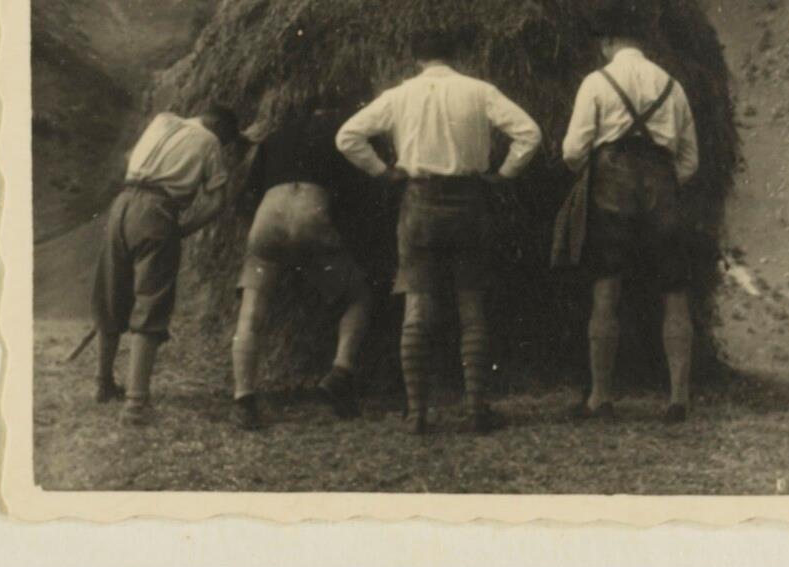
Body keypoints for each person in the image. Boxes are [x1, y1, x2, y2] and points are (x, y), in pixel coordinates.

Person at [335, 26, 543, 436]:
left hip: (419, 202)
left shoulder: (400, 95)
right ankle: (477, 409)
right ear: (457, 55)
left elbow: (348, 136)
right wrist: (505, 173)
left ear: (417, 58)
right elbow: (529, 133)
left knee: (417, 305)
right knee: (471, 305)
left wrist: (383, 172)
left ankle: (417, 413)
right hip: (469, 202)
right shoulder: (480, 91)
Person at [560, 23, 699, 424]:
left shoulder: (596, 82)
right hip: (662, 192)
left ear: (608, 42)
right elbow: (690, 160)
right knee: (674, 289)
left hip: (611, 190)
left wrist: (597, 173)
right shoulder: (672, 85)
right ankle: (678, 399)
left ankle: (600, 398)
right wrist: (662, 182)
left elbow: (573, 150)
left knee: (606, 287)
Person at [230, 96, 374, 431]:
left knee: (252, 310)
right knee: (359, 296)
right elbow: (354, 197)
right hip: (310, 213)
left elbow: (251, 189)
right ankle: (340, 372)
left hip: (268, 217)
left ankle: (244, 399)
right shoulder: (343, 133)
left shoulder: (276, 135)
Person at [91, 103, 240, 425]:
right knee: (152, 302)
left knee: (111, 295)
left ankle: (103, 384)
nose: (224, 146)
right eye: (227, 140)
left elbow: (130, 159)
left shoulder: (162, 120)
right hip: (158, 211)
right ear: (220, 128)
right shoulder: (210, 141)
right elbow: (217, 201)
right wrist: (182, 229)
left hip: (121, 206)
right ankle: (136, 404)